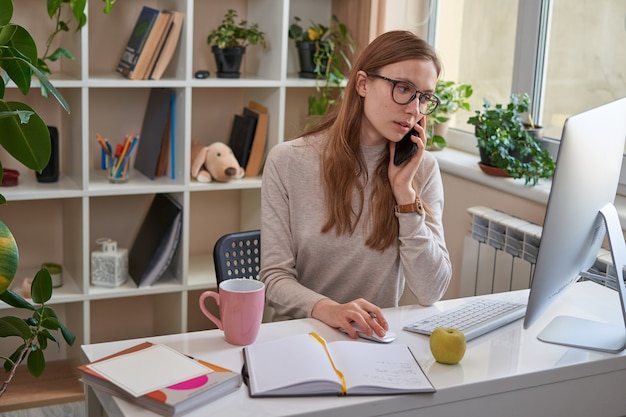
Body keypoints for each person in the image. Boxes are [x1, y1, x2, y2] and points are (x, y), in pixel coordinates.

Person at [260, 30, 452, 340]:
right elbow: (273, 279)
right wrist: (330, 310)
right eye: (404, 89)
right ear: (363, 84)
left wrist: (405, 196)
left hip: (372, 340)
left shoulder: (422, 169)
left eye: (424, 97)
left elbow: (431, 290)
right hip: (298, 336)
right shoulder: (288, 161)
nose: (414, 109)